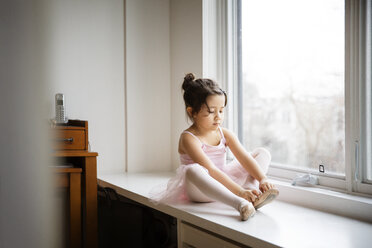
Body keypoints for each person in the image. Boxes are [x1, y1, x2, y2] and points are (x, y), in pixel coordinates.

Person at [150, 73, 278, 221]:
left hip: (224, 183)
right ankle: (240, 203)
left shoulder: (225, 134)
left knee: (262, 153)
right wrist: (239, 192)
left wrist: (262, 178)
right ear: (192, 112)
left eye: (221, 110)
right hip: (200, 190)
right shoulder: (188, 138)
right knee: (192, 169)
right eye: (211, 112)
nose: (218, 117)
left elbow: (244, 158)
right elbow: (211, 170)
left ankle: (252, 192)